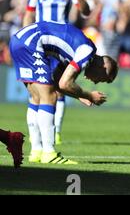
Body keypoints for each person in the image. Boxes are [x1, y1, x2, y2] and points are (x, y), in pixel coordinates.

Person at [9, 21, 118, 164]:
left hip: (19, 40)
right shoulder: (86, 52)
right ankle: (49, 153)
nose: (96, 82)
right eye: (102, 79)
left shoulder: (77, 50)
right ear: (102, 67)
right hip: (32, 42)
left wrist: (79, 95)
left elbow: (57, 82)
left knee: (36, 98)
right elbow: (64, 83)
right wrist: (89, 95)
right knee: (49, 97)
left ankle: (36, 152)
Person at [23, 0, 91, 145]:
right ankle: (38, 142)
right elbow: (28, 15)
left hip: (60, 46)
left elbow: (86, 11)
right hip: (38, 43)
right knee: (37, 93)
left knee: (58, 89)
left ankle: (56, 131)